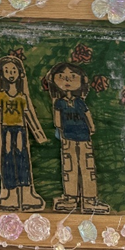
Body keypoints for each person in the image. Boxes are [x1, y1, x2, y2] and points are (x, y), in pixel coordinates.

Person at [42, 62, 110, 214]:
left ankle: (89, 200)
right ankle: (70, 198)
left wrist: (91, 127)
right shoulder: (59, 103)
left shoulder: (79, 102)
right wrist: (60, 129)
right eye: (62, 76)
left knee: (87, 167)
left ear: (81, 80)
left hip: (84, 137)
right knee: (69, 167)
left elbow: (87, 115)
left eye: (73, 76)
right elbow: (57, 120)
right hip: (68, 137)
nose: (67, 80)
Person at [0, 55, 47, 211]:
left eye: (13, 70)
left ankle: (27, 192)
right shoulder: (1, 95)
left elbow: (29, 115)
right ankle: (10, 193)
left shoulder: (22, 96)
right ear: (1, 74)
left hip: (21, 129)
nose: (11, 74)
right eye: (7, 71)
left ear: (20, 73)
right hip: (6, 129)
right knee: (7, 158)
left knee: (22, 157)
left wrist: (38, 133)